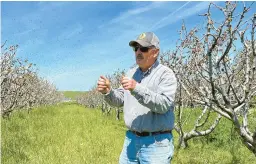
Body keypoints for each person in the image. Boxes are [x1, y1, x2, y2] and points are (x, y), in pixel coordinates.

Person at [97, 32, 177, 164]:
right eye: (136, 48)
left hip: (156, 144)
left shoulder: (165, 74)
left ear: (155, 52)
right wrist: (108, 92)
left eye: (143, 49)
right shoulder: (131, 73)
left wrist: (136, 88)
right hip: (131, 140)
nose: (138, 52)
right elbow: (121, 99)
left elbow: (164, 105)